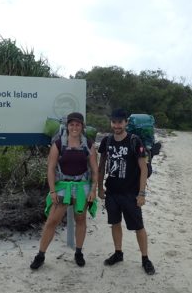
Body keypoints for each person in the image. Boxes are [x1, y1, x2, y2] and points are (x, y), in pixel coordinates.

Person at [30, 112, 98, 270]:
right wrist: (52, 191)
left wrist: (93, 190)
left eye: (78, 125)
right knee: (52, 221)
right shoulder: (59, 144)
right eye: (72, 124)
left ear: (82, 127)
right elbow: (51, 168)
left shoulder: (88, 144)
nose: (74, 127)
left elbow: (95, 169)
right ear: (67, 126)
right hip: (62, 187)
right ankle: (40, 255)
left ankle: (79, 252)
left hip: (82, 187)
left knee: (80, 220)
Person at [97, 108, 156, 275]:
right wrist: (100, 187)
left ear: (126, 123)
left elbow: (143, 168)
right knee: (115, 223)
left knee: (139, 226)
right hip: (112, 191)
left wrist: (142, 193)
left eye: (120, 122)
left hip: (131, 192)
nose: (117, 125)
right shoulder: (107, 141)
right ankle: (118, 253)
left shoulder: (134, 141)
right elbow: (102, 166)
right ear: (111, 122)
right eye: (114, 122)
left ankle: (145, 258)